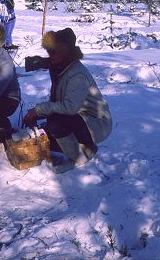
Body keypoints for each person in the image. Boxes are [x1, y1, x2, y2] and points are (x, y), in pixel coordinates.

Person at [22, 27, 112, 173]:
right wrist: (35, 62)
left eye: (54, 52)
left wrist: (38, 110)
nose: (50, 55)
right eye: (49, 51)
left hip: (96, 123)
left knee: (57, 123)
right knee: (48, 134)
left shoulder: (77, 75)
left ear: (66, 53)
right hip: (80, 117)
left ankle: (79, 156)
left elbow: (69, 107)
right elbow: (48, 62)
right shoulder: (59, 63)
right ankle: (86, 146)